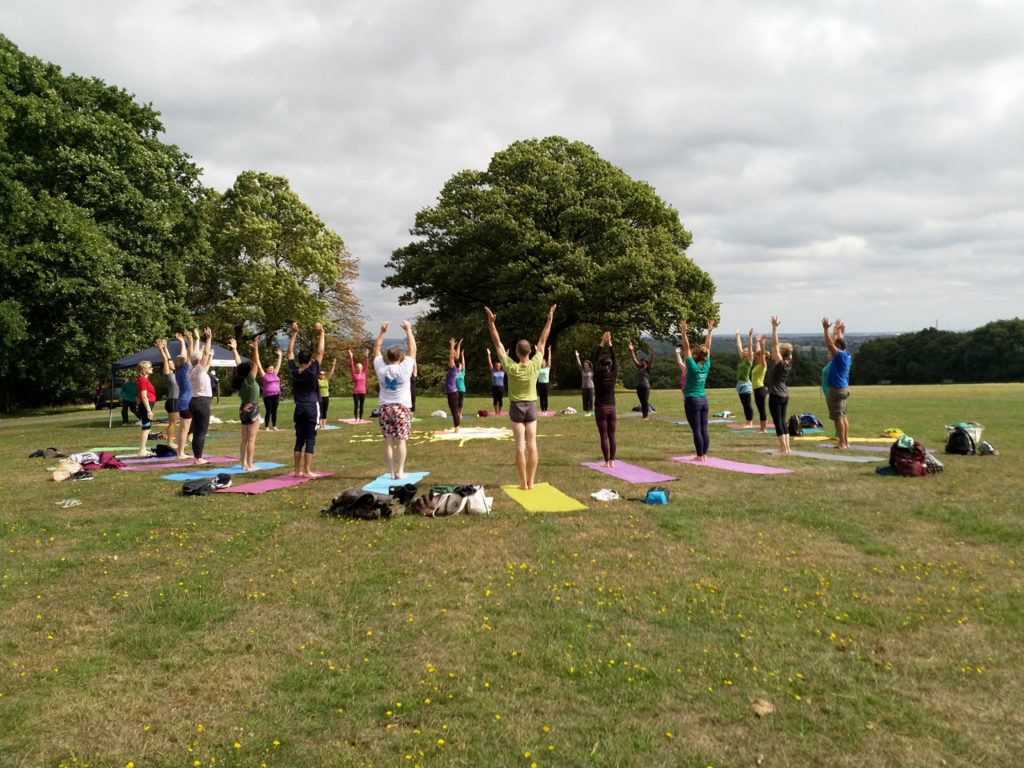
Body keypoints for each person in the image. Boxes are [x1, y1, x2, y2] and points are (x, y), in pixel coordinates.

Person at [485, 304, 557, 490]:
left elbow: (497, 344)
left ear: (516, 352)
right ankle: (531, 482)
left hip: (516, 407)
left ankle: (523, 483)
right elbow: (543, 339)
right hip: (531, 406)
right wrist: (549, 319)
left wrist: (491, 323)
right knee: (532, 445)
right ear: (530, 352)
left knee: (520, 447)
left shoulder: (511, 366)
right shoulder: (535, 363)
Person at [373, 320, 417, 479]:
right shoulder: (404, 368)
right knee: (401, 441)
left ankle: (391, 473)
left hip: (385, 408)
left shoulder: (381, 368)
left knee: (388, 442)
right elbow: (413, 350)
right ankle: (400, 471)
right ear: (400, 357)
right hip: (402, 408)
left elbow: (376, 349)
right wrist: (408, 330)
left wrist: (382, 332)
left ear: (388, 357)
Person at [288, 321, 325, 477]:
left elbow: (289, 353)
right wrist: (321, 333)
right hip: (311, 407)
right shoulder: (312, 371)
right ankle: (307, 470)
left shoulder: (294, 372)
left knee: (299, 439)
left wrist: (294, 333)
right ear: (310, 360)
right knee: (310, 438)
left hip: (299, 408)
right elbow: (321, 351)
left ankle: (297, 471)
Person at [679, 319, 715, 461]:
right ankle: (704, 454)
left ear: (695, 356)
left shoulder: (692, 367)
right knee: (704, 429)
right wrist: (709, 331)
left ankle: (699, 456)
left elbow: (686, 347)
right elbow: (708, 346)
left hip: (692, 400)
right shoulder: (706, 365)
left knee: (697, 430)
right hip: (703, 400)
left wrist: (683, 332)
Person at [229, 337, 262, 471]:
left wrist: (235, 349)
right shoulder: (249, 379)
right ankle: (249, 464)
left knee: (244, 439)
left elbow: (238, 364)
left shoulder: (241, 379)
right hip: (253, 409)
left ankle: (243, 464)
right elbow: (255, 362)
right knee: (251, 439)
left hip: (243, 409)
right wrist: (256, 348)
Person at [187, 327, 216, 465]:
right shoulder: (198, 369)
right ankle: (198, 458)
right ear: (198, 361)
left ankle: (196, 457)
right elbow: (203, 355)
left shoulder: (192, 370)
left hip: (195, 401)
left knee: (198, 431)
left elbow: (206, 360)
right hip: (202, 402)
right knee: (201, 432)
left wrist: (209, 355)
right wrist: (208, 338)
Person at [765, 316, 793, 454]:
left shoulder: (780, 363)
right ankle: (787, 448)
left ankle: (782, 448)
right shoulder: (789, 363)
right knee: (783, 421)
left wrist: (774, 328)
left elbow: (774, 345)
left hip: (776, 395)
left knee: (778, 422)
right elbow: (777, 346)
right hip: (784, 395)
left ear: (782, 352)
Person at [822, 317, 851, 449]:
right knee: (843, 416)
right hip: (843, 388)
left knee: (839, 417)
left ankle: (842, 443)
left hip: (836, 389)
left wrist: (826, 329)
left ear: (838, 347)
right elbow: (840, 342)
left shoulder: (839, 355)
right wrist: (839, 331)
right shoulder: (847, 354)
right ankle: (845, 442)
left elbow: (830, 344)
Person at [592, 332, 618, 466]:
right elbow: (615, 360)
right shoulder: (613, 375)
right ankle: (612, 461)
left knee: (604, 436)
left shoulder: (596, 376)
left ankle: (606, 461)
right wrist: (610, 344)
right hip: (611, 408)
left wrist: (602, 343)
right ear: (610, 366)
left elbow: (594, 359)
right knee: (612, 435)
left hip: (600, 408)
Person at [155, 337, 180, 451]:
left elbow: (169, 358)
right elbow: (166, 360)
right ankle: (170, 442)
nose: (173, 364)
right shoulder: (167, 374)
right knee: (172, 423)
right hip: (172, 401)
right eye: (171, 363)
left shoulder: (174, 374)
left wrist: (165, 347)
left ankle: (172, 441)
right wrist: (160, 349)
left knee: (174, 422)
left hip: (176, 401)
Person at [173, 332, 193, 460]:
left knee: (183, 429)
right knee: (184, 429)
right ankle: (180, 453)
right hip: (186, 403)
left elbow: (183, 356)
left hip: (182, 401)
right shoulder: (185, 369)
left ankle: (180, 452)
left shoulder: (178, 371)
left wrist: (182, 342)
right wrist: (189, 341)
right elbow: (189, 354)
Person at [257, 347, 284, 431]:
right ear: (266, 369)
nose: (272, 370)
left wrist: (280, 356)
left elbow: (278, 365)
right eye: (270, 369)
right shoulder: (264, 375)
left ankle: (274, 426)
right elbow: (259, 366)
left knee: (274, 411)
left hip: (276, 395)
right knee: (268, 411)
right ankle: (266, 426)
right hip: (268, 396)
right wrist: (256, 357)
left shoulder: (275, 374)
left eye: (272, 368)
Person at [628, 341, 655, 419]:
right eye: (641, 361)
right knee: (642, 402)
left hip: (645, 387)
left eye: (643, 361)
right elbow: (634, 359)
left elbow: (652, 359)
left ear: (646, 363)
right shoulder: (639, 367)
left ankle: (645, 416)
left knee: (645, 401)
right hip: (639, 386)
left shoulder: (648, 369)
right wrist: (631, 350)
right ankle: (644, 416)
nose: (642, 362)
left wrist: (653, 351)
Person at [735, 328, 755, 428]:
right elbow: (739, 346)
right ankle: (747, 422)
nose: (743, 351)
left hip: (746, 385)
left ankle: (750, 423)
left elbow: (750, 347)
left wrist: (750, 336)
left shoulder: (749, 361)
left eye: (746, 351)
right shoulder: (742, 359)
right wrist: (738, 335)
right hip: (739, 385)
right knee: (744, 405)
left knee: (747, 404)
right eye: (743, 350)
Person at [135, 361, 157, 457]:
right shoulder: (143, 380)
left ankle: (142, 449)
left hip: (146, 405)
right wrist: (149, 410)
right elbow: (144, 396)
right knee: (146, 428)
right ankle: (142, 450)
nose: (152, 368)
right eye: (150, 367)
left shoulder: (143, 379)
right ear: (144, 370)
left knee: (147, 428)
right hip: (145, 406)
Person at [445, 337, 464, 432]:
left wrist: (452, 345)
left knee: (454, 411)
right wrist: (458, 346)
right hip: (453, 392)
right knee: (454, 411)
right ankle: (457, 427)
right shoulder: (455, 369)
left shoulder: (453, 369)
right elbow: (456, 357)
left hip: (452, 393)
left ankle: (457, 428)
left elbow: (452, 357)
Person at [752, 335, 769, 432]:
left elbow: (762, 354)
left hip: (760, 389)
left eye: (756, 357)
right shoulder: (758, 365)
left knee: (762, 409)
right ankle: (762, 427)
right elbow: (759, 353)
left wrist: (763, 345)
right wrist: (757, 342)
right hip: (757, 390)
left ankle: (763, 429)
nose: (755, 357)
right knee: (760, 409)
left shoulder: (763, 365)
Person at [348, 348, 369, 421]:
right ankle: (356, 418)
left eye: (360, 367)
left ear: (362, 368)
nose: (359, 368)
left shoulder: (364, 373)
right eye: (358, 367)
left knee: (361, 406)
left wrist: (366, 356)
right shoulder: (354, 374)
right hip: (356, 392)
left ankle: (360, 418)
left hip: (363, 392)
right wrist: (351, 357)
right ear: (356, 368)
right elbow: (351, 365)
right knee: (356, 406)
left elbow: (366, 364)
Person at [318, 358, 337, 429]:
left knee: (325, 411)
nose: (322, 375)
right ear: (319, 375)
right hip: (319, 397)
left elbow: (331, 372)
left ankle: (324, 424)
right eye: (321, 374)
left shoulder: (326, 380)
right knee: (320, 411)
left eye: (323, 374)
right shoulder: (317, 380)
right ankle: (320, 425)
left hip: (326, 397)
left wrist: (333, 365)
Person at [574, 350, 595, 416]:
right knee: (585, 400)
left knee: (590, 400)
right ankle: (586, 412)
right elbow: (578, 364)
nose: (585, 366)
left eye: (586, 365)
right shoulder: (582, 370)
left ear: (589, 365)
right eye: (584, 365)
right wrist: (577, 356)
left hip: (591, 387)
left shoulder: (592, 371)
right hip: (584, 387)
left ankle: (590, 411)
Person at [486, 349, 505, 415]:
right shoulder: (493, 371)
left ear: (500, 367)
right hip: (494, 387)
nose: (497, 367)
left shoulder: (503, 371)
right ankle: (496, 412)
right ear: (495, 366)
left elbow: (505, 363)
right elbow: (490, 363)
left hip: (501, 388)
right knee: (495, 400)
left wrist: (506, 355)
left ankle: (499, 413)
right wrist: (489, 355)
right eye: (496, 366)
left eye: (499, 366)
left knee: (500, 400)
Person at [537, 346, 552, 413]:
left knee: (545, 398)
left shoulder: (547, 368)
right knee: (541, 398)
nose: (543, 363)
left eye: (544, 362)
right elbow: (536, 360)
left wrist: (549, 351)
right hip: (540, 384)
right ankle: (542, 410)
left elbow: (549, 359)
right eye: (542, 362)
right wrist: (536, 350)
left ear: (545, 363)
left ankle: (545, 410)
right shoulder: (538, 368)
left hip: (546, 384)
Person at [455, 346, 467, 420]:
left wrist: (462, 355)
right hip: (455, 389)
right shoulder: (454, 372)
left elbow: (464, 363)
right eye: (460, 366)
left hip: (462, 389)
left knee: (461, 402)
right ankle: (456, 414)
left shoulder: (463, 372)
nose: (461, 366)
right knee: (456, 402)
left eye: (461, 366)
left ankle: (460, 414)